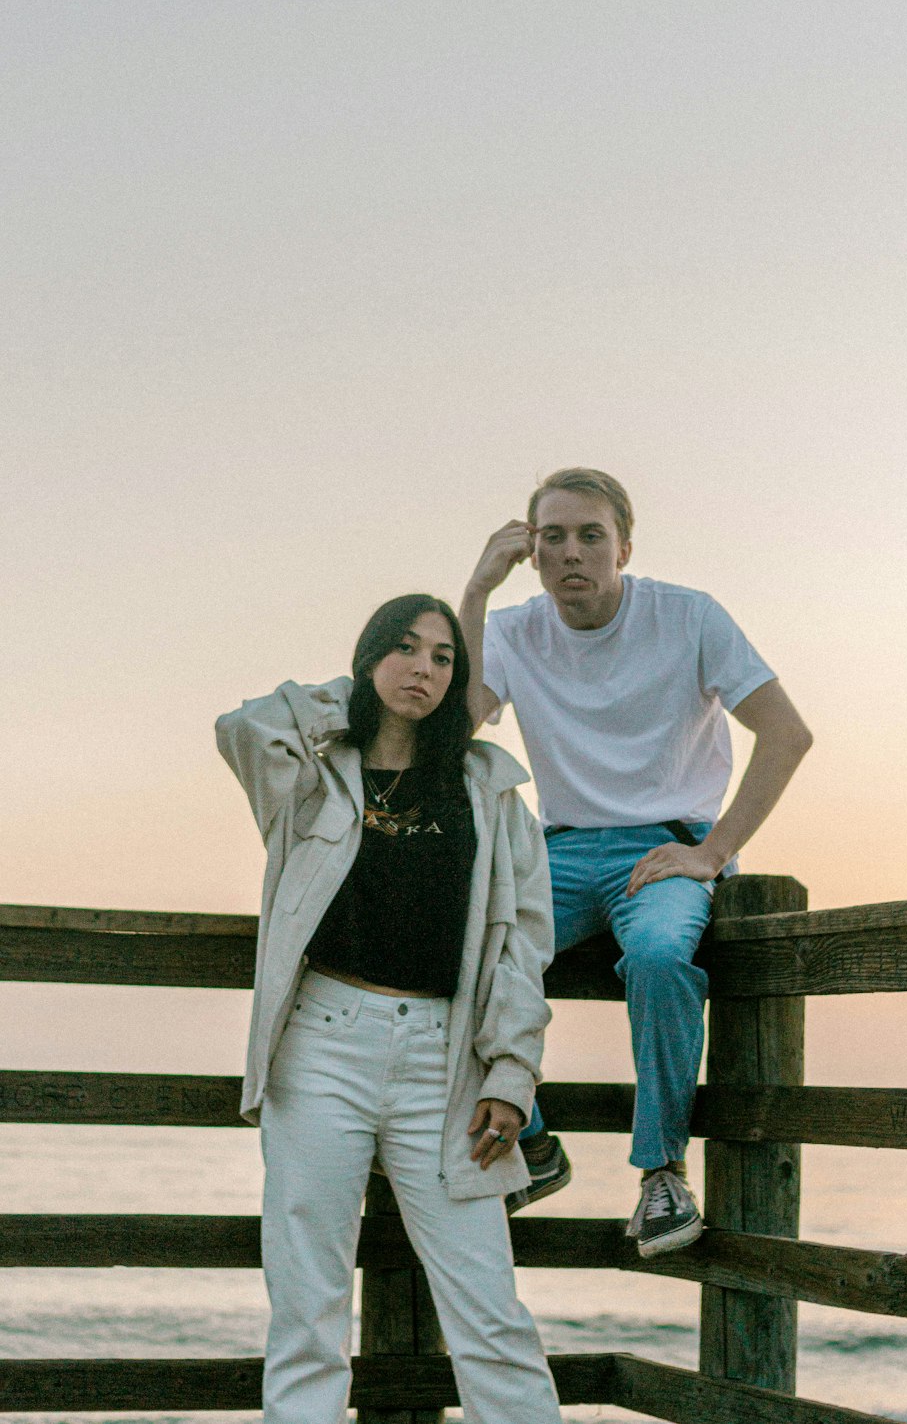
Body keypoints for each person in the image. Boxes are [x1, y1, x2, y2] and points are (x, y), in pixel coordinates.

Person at [215, 594, 561, 1424]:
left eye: (444, 659)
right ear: (368, 657)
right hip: (321, 1048)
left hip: (445, 1063)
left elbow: (522, 947)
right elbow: (242, 724)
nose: (424, 669)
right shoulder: (308, 774)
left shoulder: (489, 792)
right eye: (404, 650)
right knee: (309, 1311)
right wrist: (362, 700)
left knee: (489, 1313)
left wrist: (512, 1073)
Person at [460, 469, 813, 1258]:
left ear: (625, 545)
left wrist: (712, 852)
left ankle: (661, 1173)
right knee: (461, 940)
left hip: (665, 847)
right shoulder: (515, 629)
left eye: (590, 535)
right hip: (561, 849)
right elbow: (455, 732)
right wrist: (477, 595)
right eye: (552, 536)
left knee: (657, 957)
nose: (571, 552)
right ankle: (536, 1147)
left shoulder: (687, 617)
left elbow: (787, 733)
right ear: (530, 549)